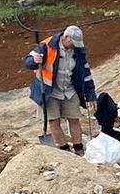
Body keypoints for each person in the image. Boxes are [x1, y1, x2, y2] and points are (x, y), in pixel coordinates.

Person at [25, 25, 97, 153]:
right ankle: (64, 149)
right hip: (49, 91)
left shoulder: (78, 50)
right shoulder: (47, 45)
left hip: (69, 89)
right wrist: (34, 60)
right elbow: (28, 61)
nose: (75, 45)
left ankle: (79, 148)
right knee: (54, 120)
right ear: (65, 37)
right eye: (73, 42)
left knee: (74, 118)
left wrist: (90, 94)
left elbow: (86, 73)